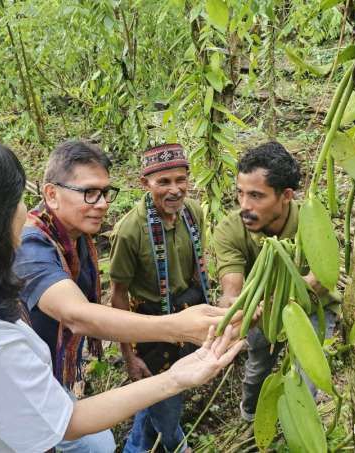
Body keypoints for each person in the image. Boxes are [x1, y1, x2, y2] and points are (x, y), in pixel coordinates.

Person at [0, 135, 243, 453]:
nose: (24, 212)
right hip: (24, 403)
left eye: (105, 192)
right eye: (16, 200)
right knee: (96, 443)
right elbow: (78, 319)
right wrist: (176, 342)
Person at [13, 140, 236, 452]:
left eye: (105, 192)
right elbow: (77, 315)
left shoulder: (75, 239)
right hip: (26, 380)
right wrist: (174, 329)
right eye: (89, 192)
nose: (102, 203)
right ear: (51, 194)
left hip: (53, 370)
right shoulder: (33, 246)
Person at [212, 141, 339, 422]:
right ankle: (250, 418)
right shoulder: (230, 231)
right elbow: (232, 287)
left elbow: (319, 280)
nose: (245, 206)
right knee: (257, 370)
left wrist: (276, 297)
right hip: (261, 313)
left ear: (286, 195)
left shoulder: (313, 222)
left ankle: (299, 427)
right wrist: (236, 307)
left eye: (256, 196)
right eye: (240, 194)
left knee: (308, 378)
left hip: (313, 309)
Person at [109, 144, 209, 453]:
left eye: (181, 180)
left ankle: (136, 447)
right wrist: (129, 355)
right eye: (163, 182)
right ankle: (176, 445)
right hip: (149, 325)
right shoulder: (130, 232)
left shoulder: (192, 213)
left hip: (185, 312)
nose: (174, 190)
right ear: (145, 183)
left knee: (160, 392)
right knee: (164, 394)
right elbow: (119, 295)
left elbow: (197, 270)